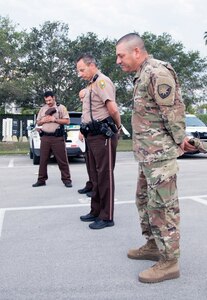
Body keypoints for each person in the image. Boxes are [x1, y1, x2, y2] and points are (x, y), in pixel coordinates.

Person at [115, 33, 198, 283]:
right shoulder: (142, 74)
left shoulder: (157, 73)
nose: (118, 60)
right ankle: (153, 245)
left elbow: (172, 112)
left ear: (137, 52)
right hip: (148, 156)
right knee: (144, 201)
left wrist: (179, 140)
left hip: (160, 157)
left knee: (163, 208)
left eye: (121, 55)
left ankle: (169, 262)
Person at [76, 53, 121, 229]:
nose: (80, 74)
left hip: (103, 135)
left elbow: (113, 108)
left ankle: (107, 216)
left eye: (82, 69)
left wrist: (116, 127)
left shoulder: (102, 81)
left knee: (104, 175)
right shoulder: (91, 84)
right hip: (91, 135)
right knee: (94, 176)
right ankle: (95, 211)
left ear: (92, 65)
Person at [32, 91, 72, 188]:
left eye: (50, 100)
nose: (48, 102)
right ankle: (41, 180)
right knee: (43, 160)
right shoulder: (42, 109)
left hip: (57, 137)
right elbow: (38, 122)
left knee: (62, 160)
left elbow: (67, 121)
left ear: (54, 98)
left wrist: (55, 120)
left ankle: (67, 180)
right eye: (46, 101)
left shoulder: (61, 108)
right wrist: (43, 120)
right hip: (45, 137)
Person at [77, 89, 93, 197]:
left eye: (83, 97)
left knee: (96, 166)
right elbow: (84, 121)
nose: (81, 100)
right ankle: (91, 184)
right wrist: (80, 132)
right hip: (86, 138)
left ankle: (96, 188)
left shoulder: (95, 108)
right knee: (89, 164)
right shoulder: (85, 109)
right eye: (80, 98)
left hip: (95, 137)